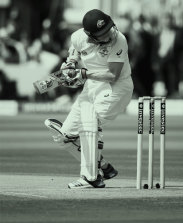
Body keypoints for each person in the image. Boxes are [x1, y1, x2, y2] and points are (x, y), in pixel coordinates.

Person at [45, 9, 133, 189]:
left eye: (109, 28)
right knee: (65, 136)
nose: (109, 34)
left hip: (116, 88)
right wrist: (70, 64)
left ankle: (90, 177)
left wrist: (82, 74)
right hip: (91, 87)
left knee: (89, 120)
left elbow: (112, 75)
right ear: (90, 35)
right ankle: (104, 167)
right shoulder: (77, 37)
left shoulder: (119, 39)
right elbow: (74, 52)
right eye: (102, 33)